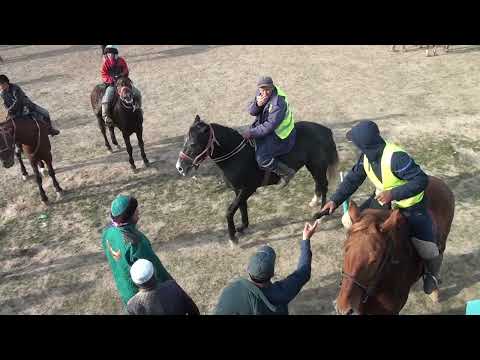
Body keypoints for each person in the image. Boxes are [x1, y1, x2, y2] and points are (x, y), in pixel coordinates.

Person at [320, 120, 441, 295]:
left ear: (364, 144)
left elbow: (421, 180)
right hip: (382, 201)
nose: (354, 147)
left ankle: (432, 276)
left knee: (428, 249)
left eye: (355, 143)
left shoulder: (397, 158)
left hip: (411, 206)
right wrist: (335, 200)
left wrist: (393, 194)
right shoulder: (366, 156)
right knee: (349, 221)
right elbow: (353, 179)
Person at [214, 221, 318, 315]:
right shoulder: (281, 293)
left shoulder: (230, 290)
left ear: (248, 270)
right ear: (272, 274)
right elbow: (303, 272)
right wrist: (306, 239)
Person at [101, 194, 173, 306]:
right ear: (130, 216)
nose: (138, 212)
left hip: (125, 289)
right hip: (143, 296)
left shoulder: (107, 232)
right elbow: (155, 269)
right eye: (135, 211)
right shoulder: (136, 243)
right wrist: (170, 285)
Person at [243, 76, 297, 187]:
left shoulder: (278, 102)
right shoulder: (261, 92)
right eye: (262, 90)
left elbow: (269, 126)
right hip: (266, 125)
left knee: (262, 158)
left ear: (272, 87)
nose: (265, 92)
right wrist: (257, 104)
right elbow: (251, 111)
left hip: (280, 134)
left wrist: (252, 133)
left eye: (267, 89)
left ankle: (287, 173)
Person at [126, 259, 200, 315]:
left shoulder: (132, 305)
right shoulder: (172, 286)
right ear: (154, 273)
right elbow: (193, 310)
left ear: (135, 282)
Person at [100, 45, 142, 127]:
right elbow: (103, 75)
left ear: (115, 54)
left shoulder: (121, 60)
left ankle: (138, 107)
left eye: (112, 53)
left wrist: (121, 75)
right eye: (108, 54)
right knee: (106, 98)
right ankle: (106, 117)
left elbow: (126, 69)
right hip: (112, 85)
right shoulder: (105, 63)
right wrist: (111, 79)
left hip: (123, 82)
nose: (110, 55)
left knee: (137, 92)